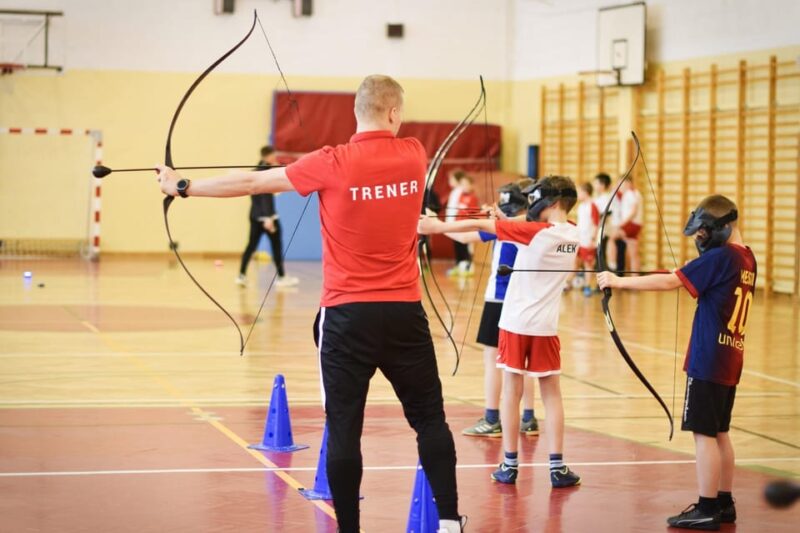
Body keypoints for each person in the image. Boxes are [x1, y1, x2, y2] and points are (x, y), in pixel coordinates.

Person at [157, 75, 463, 533]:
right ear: (395, 113)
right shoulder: (414, 153)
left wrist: (182, 186)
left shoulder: (330, 162)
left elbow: (253, 182)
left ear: (354, 113)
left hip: (346, 318)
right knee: (430, 420)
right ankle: (450, 523)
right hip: (404, 314)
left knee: (343, 428)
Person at [598, 194, 754, 530]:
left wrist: (618, 280)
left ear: (722, 228)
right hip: (729, 356)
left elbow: (671, 280)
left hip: (709, 357)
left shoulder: (722, 257)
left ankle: (707, 506)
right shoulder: (745, 257)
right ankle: (724, 502)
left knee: (703, 434)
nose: (700, 238)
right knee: (719, 431)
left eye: (703, 232)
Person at [419, 175, 581, 489]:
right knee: (552, 394)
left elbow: (487, 228)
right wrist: (504, 217)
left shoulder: (535, 233)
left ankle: (509, 463)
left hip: (517, 323)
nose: (533, 205)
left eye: (538, 199)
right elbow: (521, 224)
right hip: (546, 326)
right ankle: (557, 467)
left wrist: (435, 226)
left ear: (554, 201)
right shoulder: (572, 231)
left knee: (511, 391)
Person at [447, 180, 539, 438]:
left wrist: (435, 225)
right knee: (523, 363)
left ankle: (491, 418)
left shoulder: (503, 226)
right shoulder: (533, 226)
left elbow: (463, 235)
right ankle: (529, 418)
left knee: (493, 361)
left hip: (499, 299)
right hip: (524, 300)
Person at [236, 145, 299, 288]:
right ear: (267, 156)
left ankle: (241, 275)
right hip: (267, 218)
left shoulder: (257, 171)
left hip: (255, 216)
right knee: (276, 247)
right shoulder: (265, 173)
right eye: (273, 155)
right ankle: (282, 277)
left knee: (251, 246)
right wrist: (268, 218)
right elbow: (265, 197)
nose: (274, 158)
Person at [446, 171, 479, 277]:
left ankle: (467, 267)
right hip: (458, 225)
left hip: (467, 227)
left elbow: (474, 212)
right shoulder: (461, 195)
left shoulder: (472, 197)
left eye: (466, 184)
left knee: (466, 247)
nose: (464, 186)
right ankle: (459, 265)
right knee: (458, 246)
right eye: (463, 184)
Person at [593, 172, 625, 274]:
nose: (595, 185)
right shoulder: (600, 197)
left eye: (596, 183)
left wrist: (597, 230)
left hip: (608, 228)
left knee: (603, 253)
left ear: (602, 185)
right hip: (605, 228)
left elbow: (607, 215)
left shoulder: (606, 198)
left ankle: (611, 268)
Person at [573, 181, 600, 296]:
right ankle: (568, 283)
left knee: (588, 265)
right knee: (575, 263)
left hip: (588, 240)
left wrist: (593, 239)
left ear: (585, 192)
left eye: (579, 192)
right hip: (579, 240)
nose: (578, 194)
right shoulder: (580, 206)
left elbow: (596, 224)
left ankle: (588, 286)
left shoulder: (592, 206)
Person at [618, 178, 643, 273]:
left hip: (631, 224)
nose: (619, 187)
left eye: (621, 184)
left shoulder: (630, 193)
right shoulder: (634, 193)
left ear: (628, 183)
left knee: (612, 236)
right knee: (633, 253)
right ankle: (635, 276)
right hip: (636, 224)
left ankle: (612, 264)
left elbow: (634, 210)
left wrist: (622, 223)